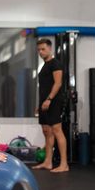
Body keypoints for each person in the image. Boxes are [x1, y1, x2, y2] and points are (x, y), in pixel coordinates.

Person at [32, 38, 69, 173]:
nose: (41, 52)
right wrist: (40, 103)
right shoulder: (44, 66)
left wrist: (48, 99)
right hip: (45, 103)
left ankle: (64, 164)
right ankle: (48, 162)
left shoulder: (55, 64)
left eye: (43, 49)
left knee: (57, 131)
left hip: (53, 102)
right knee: (47, 132)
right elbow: (44, 87)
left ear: (50, 49)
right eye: (39, 50)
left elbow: (58, 83)